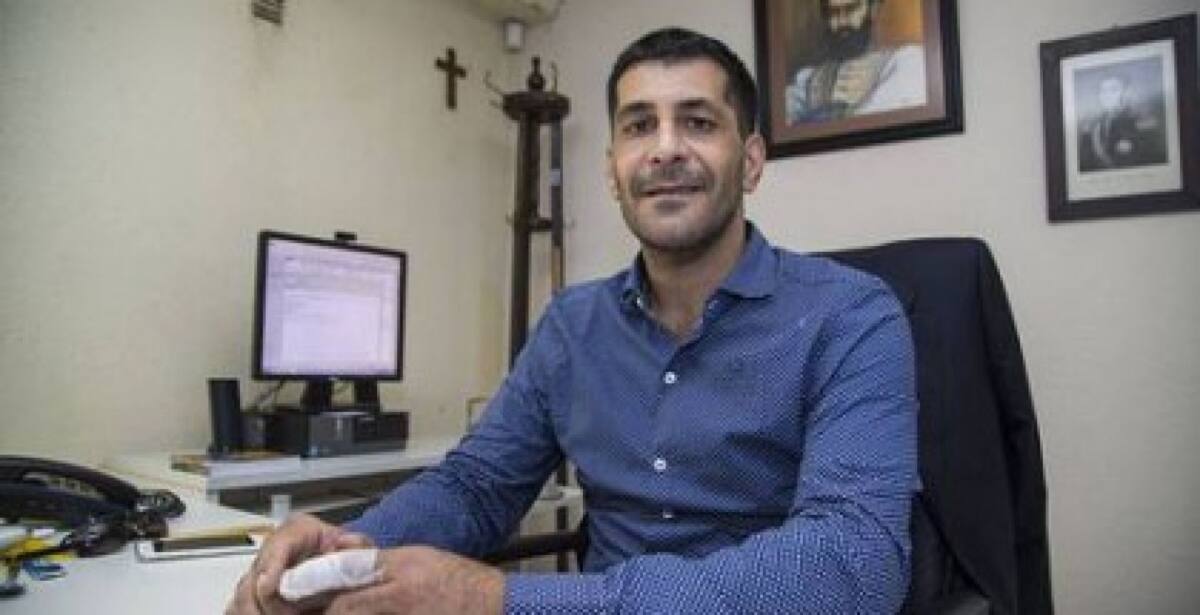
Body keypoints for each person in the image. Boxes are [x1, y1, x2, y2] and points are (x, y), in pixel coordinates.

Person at [228, 27, 918, 614]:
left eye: (699, 122)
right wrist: (347, 546)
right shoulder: (572, 325)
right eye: (639, 125)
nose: (665, 148)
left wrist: (497, 598)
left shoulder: (851, 315)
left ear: (752, 162)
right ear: (614, 171)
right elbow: (477, 485)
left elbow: (855, 562)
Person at [786, 0, 927, 123]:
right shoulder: (808, 79)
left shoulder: (905, 62)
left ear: (873, 9)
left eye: (851, 9)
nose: (841, 22)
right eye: (833, 12)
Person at [1077, 73, 1166, 171]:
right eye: (1103, 91)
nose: (1106, 95)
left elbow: (1151, 158)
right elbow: (1085, 163)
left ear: (1126, 93)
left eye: (1113, 90)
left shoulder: (1142, 120)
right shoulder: (1092, 125)